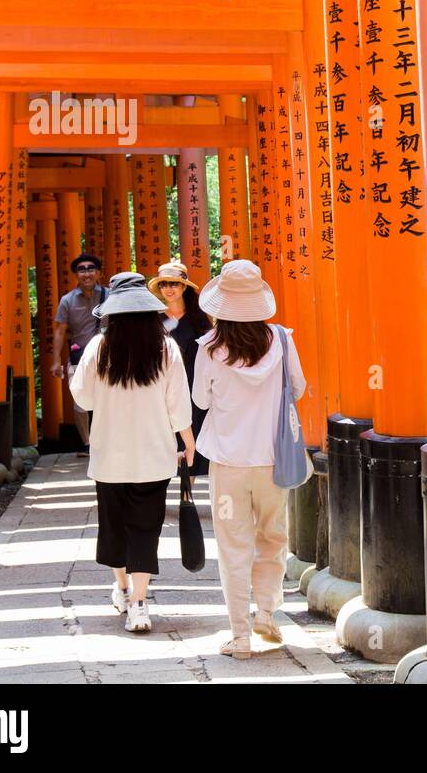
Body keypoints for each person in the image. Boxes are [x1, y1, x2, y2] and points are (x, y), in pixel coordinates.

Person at [191, 259, 306, 659]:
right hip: (273, 460)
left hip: (228, 461)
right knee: (272, 538)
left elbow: (200, 400)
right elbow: (299, 387)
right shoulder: (282, 340)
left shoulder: (208, 348)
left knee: (233, 546)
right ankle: (267, 613)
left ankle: (240, 635)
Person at [70, 272, 195, 634]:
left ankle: (123, 589)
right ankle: (140, 604)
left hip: (109, 454)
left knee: (114, 526)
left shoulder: (99, 346)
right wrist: (187, 440)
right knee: (145, 528)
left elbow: (84, 398)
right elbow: (177, 403)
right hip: (154, 454)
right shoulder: (165, 346)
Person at [149, 261, 213, 476]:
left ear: (184, 286)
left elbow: (211, 352)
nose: (169, 288)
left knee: (192, 436)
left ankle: (188, 491)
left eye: (174, 283)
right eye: (164, 284)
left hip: (195, 387)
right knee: (164, 439)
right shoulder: (154, 320)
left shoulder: (199, 318)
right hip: (162, 389)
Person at [52, 253, 108, 448]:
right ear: (76, 275)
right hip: (79, 358)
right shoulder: (67, 300)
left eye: (91, 268)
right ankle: (87, 442)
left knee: (108, 398)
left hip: (107, 357)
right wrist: (55, 360)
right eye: (82, 269)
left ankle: (105, 439)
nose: (86, 273)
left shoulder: (109, 296)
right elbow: (60, 331)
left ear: (99, 273)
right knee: (79, 402)